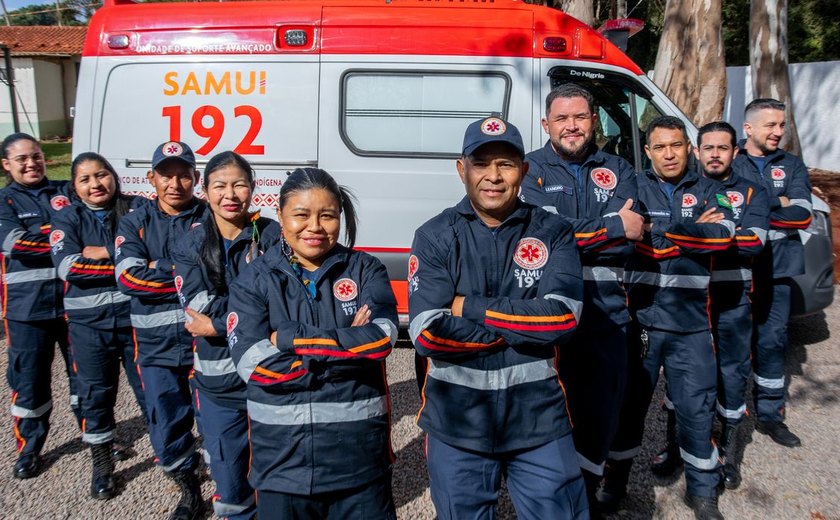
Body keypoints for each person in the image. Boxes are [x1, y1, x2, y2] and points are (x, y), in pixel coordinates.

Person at [409, 116, 587, 519]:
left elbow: (562, 321)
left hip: (538, 421)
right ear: (461, 169)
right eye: (481, 163)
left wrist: (467, 306)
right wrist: (521, 324)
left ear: (524, 171)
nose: (493, 176)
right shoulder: (435, 235)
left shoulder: (553, 231)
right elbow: (427, 335)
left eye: (506, 164)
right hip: (457, 425)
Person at [227, 168, 398, 519]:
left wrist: (287, 339)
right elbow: (254, 365)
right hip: (283, 467)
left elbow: (381, 340)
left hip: (360, 462)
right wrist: (347, 346)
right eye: (301, 215)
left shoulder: (366, 269)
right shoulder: (253, 280)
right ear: (280, 215)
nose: (315, 227)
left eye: (327, 215)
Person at [597, 116, 734, 520]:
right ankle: (615, 486)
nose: (669, 154)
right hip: (640, 322)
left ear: (688, 148)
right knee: (627, 411)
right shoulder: (632, 186)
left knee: (696, 411)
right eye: (659, 147)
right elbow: (626, 238)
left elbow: (724, 235)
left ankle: (703, 492)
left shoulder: (715, 189)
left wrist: (657, 232)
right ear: (649, 152)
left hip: (692, 326)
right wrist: (689, 235)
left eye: (675, 145)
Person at [520, 84, 643, 509]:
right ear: (545, 124)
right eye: (561, 119)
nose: (571, 126)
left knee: (599, 410)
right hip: (547, 310)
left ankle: (586, 498)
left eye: (579, 117)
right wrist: (610, 225)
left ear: (593, 120)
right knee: (547, 407)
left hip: (606, 312)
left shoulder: (620, 168)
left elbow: (632, 238)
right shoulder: (529, 169)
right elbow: (540, 234)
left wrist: (573, 230)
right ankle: (547, 495)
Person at [172, 151, 280, 520]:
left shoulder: (273, 235)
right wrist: (258, 316)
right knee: (231, 485)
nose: (230, 194)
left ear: (253, 188)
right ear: (205, 191)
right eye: (220, 185)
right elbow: (198, 307)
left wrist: (218, 323)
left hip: (272, 378)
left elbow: (286, 303)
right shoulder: (189, 243)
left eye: (239, 184)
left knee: (278, 479)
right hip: (219, 386)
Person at [114, 141, 207, 520]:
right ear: (151, 178)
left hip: (206, 343)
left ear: (195, 178)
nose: (175, 182)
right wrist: (186, 271)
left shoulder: (210, 216)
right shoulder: (134, 221)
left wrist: (159, 265)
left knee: (217, 419)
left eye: (183, 173)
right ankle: (188, 487)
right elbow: (128, 279)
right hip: (154, 347)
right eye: (166, 174)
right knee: (166, 421)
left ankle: (232, 481)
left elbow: (221, 275)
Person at [50, 152, 150, 499]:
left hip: (136, 321)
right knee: (96, 395)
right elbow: (69, 268)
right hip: (88, 326)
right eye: (85, 179)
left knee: (150, 391)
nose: (96, 184)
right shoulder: (66, 217)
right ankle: (103, 464)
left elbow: (155, 254)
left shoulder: (137, 208)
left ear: (114, 176)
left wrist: (104, 250)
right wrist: (126, 260)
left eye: (102, 175)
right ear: (75, 187)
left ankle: (172, 456)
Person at [731, 98, 812, 448]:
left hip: (778, 269)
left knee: (772, 342)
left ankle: (770, 416)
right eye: (771, 125)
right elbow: (720, 205)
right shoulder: (730, 159)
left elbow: (803, 214)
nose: (779, 132)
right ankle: (730, 419)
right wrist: (777, 202)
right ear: (748, 129)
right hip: (737, 269)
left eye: (782, 125)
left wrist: (752, 205)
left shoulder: (791, 165)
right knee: (731, 345)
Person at [0, 133, 81, 479]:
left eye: (36, 156)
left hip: (73, 304)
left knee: (87, 378)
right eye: (22, 159)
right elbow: (18, 246)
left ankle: (95, 436)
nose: (32, 163)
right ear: (7, 165)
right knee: (29, 381)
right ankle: (30, 448)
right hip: (26, 310)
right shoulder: (4, 201)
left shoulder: (65, 191)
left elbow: (90, 227)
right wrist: (65, 236)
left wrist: (54, 235)